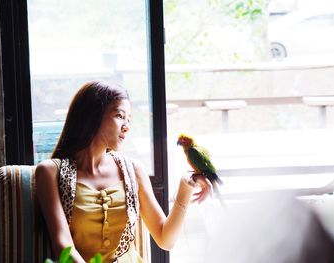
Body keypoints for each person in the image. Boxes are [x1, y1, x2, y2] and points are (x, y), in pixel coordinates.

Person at [36, 80, 212, 263]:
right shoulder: (50, 172)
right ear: (92, 116)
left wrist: (185, 187)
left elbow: (165, 239)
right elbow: (63, 246)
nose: (126, 126)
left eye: (129, 119)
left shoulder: (133, 170)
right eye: (120, 116)